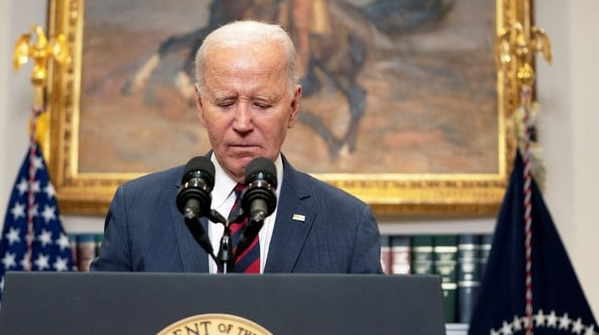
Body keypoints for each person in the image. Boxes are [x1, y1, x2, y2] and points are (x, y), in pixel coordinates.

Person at [90, 20, 382, 273]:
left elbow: (366, 333)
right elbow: (104, 323)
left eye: (262, 104)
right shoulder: (136, 209)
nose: (242, 123)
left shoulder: (347, 223)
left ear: (293, 107)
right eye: (225, 103)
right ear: (201, 106)